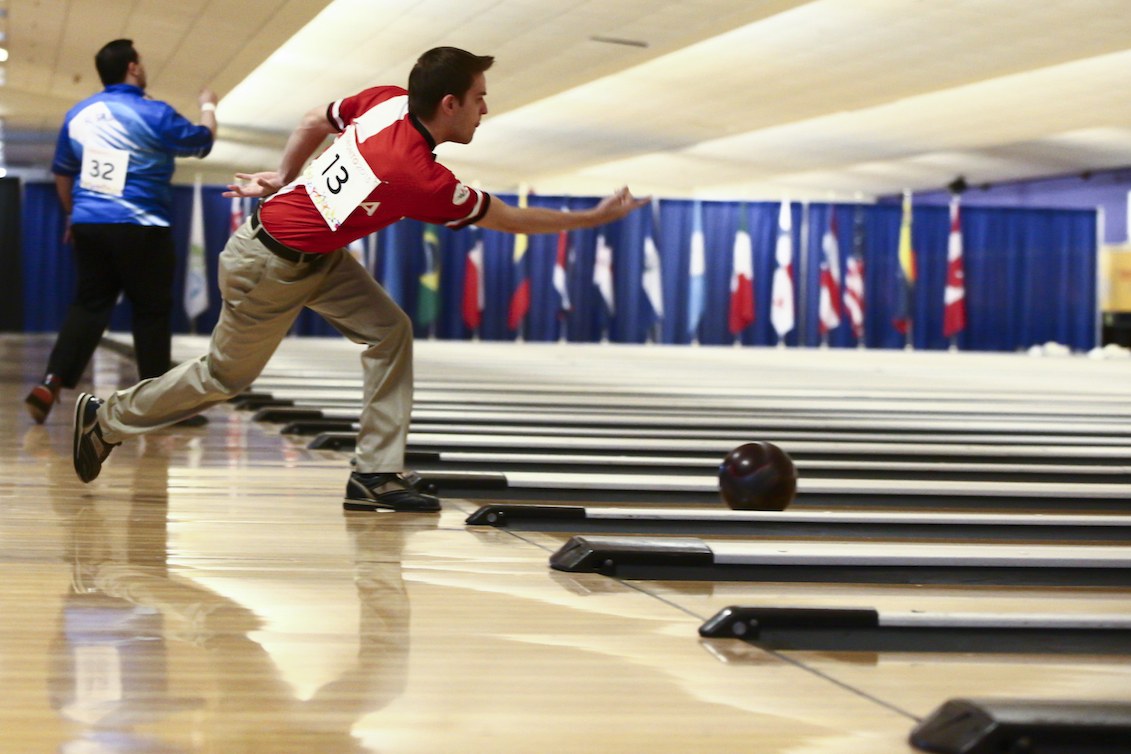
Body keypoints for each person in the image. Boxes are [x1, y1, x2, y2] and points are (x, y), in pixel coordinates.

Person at [71, 46, 648, 512]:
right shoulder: (416, 175)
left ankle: (375, 474)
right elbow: (507, 217)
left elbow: (313, 120)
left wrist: (285, 175)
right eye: (479, 100)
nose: (484, 111)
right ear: (449, 104)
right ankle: (107, 417)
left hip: (314, 256)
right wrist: (595, 217)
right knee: (223, 376)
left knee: (389, 332)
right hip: (268, 264)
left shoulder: (387, 103)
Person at [25, 39, 217, 424]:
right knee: (150, 312)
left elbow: (62, 173)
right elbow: (203, 141)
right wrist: (209, 105)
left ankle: (51, 381)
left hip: (91, 224)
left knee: (89, 305)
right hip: (143, 226)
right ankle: (156, 406)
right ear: (133, 67)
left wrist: (73, 217)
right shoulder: (154, 113)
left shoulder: (79, 114)